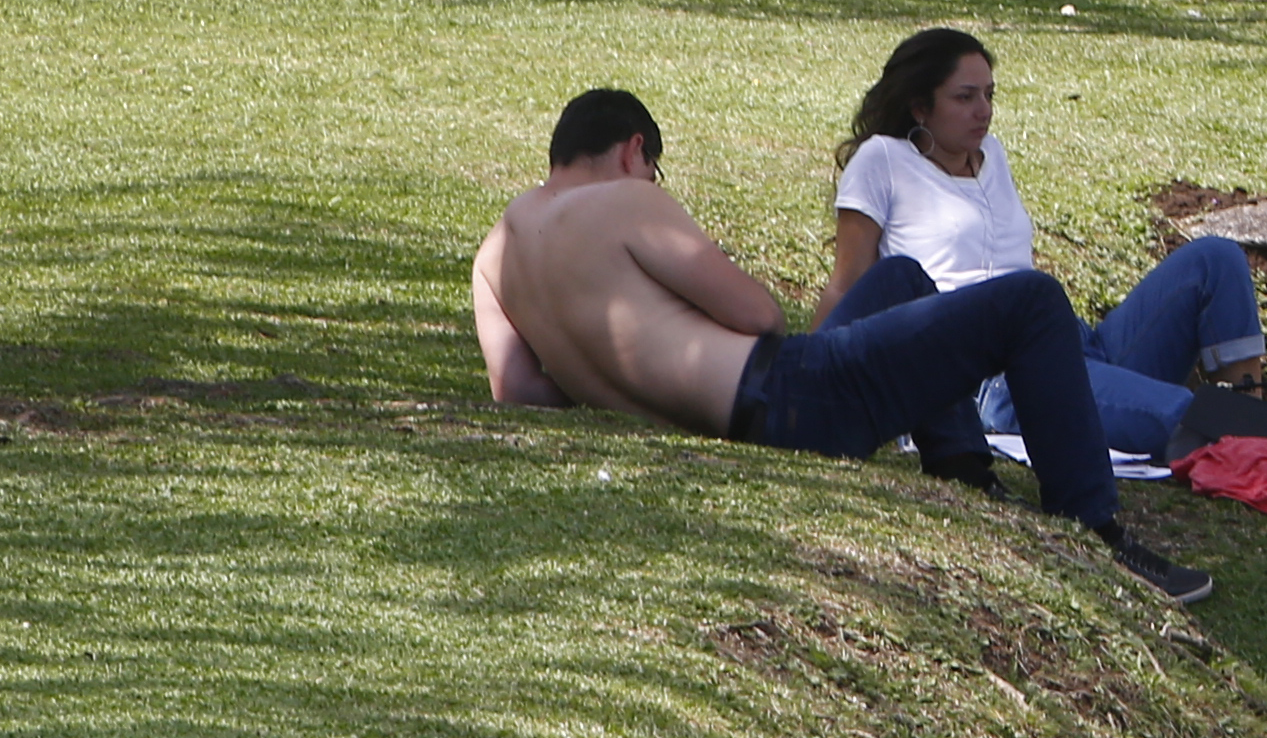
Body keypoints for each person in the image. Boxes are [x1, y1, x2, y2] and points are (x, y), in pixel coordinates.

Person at [473, 85, 1214, 607]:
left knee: (900, 277)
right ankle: (1095, 528)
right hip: (786, 399)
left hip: (746, 412)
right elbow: (759, 316)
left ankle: (961, 468)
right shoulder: (627, 199)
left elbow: (521, 394)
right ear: (635, 150)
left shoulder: (498, 252)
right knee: (1034, 302)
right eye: (655, 167)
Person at [830, 28, 1267, 464]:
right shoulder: (883, 161)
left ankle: (1252, 414)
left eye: (989, 94)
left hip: (1070, 341)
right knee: (1181, 414)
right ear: (919, 108)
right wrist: (814, 385)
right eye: (964, 98)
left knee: (1215, 258)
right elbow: (847, 287)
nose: (984, 110)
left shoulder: (993, 156)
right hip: (997, 376)